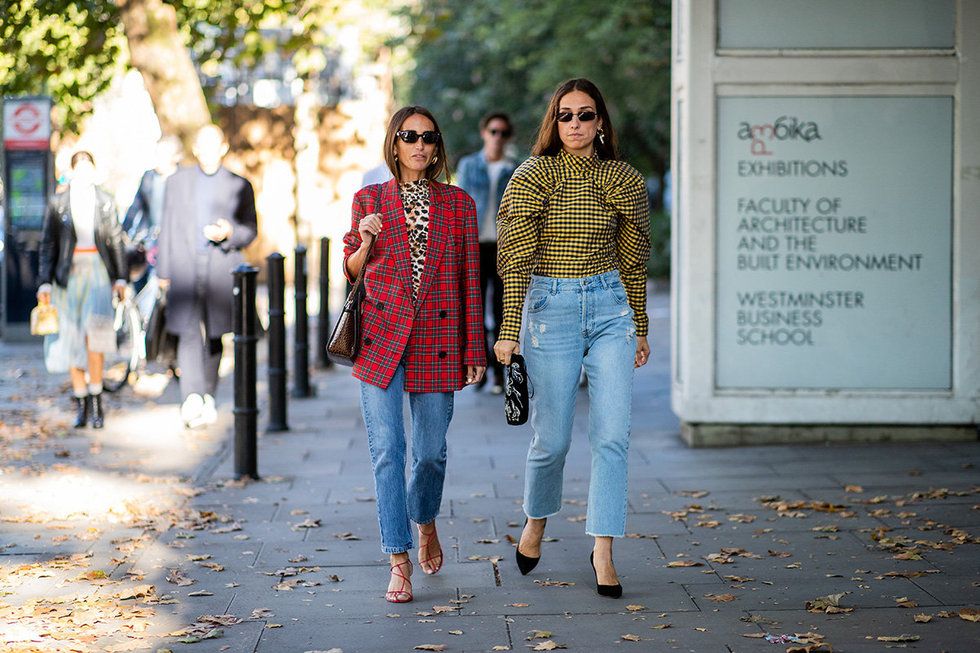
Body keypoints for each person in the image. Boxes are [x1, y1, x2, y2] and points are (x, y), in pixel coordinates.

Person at [493, 79, 651, 598]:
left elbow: (634, 258)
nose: (577, 125)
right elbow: (515, 258)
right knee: (553, 439)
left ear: (601, 122)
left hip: (610, 310)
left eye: (587, 115)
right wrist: (508, 330)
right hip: (549, 311)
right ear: (553, 123)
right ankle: (536, 520)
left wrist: (641, 325)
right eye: (566, 116)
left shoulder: (623, 179)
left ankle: (603, 548)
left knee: (612, 436)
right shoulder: (534, 174)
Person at [342, 106, 486, 603]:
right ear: (394, 143)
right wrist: (365, 239)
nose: (419, 145)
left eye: (428, 137)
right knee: (388, 452)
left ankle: (423, 518)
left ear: (437, 145)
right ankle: (397, 557)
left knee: (428, 454)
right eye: (409, 136)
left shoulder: (459, 204)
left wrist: (476, 349)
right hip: (382, 338)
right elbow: (351, 270)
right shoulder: (369, 199)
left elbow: (471, 281)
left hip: (438, 339)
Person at [156, 125, 257, 429]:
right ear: (195, 149)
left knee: (215, 333)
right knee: (186, 330)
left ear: (224, 148)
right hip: (184, 265)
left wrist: (229, 233)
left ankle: (208, 394)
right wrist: (163, 271)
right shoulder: (177, 181)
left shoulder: (239, 184)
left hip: (220, 265)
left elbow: (250, 230)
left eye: (215, 144)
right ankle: (192, 397)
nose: (209, 150)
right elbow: (168, 225)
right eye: (203, 144)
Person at [36, 151, 127, 429]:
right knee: (72, 338)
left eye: (89, 166)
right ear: (73, 171)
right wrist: (45, 281)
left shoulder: (105, 201)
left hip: (98, 273)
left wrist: (120, 277)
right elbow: (48, 244)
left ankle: (98, 402)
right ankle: (81, 402)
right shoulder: (59, 203)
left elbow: (114, 240)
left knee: (95, 337)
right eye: (80, 167)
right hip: (68, 277)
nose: (84, 172)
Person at [456, 112, 517, 394]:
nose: (497, 137)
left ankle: (498, 373)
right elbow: (461, 206)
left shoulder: (514, 168)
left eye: (503, 133)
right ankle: (477, 366)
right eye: (493, 131)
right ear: (484, 132)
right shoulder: (469, 165)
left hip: (504, 248)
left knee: (502, 311)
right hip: (474, 246)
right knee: (475, 309)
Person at [123, 135, 182, 292]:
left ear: (176, 157)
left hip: (175, 246)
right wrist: (124, 231)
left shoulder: (184, 180)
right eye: (157, 154)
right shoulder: (149, 177)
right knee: (142, 287)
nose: (158, 159)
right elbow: (135, 206)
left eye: (163, 155)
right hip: (150, 243)